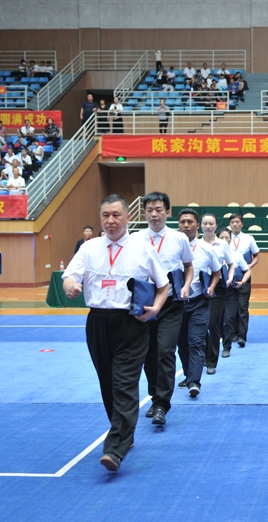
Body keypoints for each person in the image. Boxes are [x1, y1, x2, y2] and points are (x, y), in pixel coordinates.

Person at [62, 194, 170, 472]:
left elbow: (163, 284)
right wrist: (71, 285)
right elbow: (70, 276)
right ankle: (125, 431)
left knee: (124, 383)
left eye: (116, 215)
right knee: (108, 383)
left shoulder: (142, 248)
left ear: (128, 217)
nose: (110, 221)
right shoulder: (89, 248)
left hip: (132, 323)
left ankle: (115, 448)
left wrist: (155, 309)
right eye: (105, 216)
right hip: (97, 322)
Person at [135, 192, 194, 421]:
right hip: (145, 304)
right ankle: (153, 397)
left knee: (165, 351)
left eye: (159, 209)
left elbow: (189, 266)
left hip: (171, 305)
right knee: (148, 354)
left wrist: (187, 285)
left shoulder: (179, 239)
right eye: (149, 210)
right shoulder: (136, 238)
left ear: (167, 212)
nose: (154, 214)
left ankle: (162, 404)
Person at [177, 208, 221, 393]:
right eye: (182, 222)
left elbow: (217, 271)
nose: (186, 225)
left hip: (199, 302)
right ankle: (188, 374)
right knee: (181, 342)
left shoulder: (206, 249)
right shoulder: (171, 247)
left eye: (190, 222)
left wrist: (211, 287)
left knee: (196, 341)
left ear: (197, 226)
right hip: (176, 304)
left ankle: (195, 382)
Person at [201, 213, 237, 376]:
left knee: (213, 323)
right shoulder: (195, 244)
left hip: (219, 288)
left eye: (211, 224)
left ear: (216, 226)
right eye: (205, 224)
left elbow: (231, 264)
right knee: (200, 325)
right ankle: (202, 356)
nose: (208, 226)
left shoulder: (223, 245)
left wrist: (229, 278)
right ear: (201, 226)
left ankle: (211, 361)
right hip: (200, 286)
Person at [216, 227, 252, 361]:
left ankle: (227, 347)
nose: (225, 240)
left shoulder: (236, 255)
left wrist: (242, 282)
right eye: (222, 237)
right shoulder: (212, 253)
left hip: (231, 291)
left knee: (229, 318)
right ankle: (220, 340)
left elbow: (247, 270)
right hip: (216, 291)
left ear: (231, 239)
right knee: (216, 321)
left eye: (227, 237)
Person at [228, 214, 260, 348]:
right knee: (231, 307)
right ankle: (233, 333)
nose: (235, 224)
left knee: (242, 306)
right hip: (228, 278)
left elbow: (256, 256)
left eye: (237, 222)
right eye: (232, 222)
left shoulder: (248, 238)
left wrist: (250, 266)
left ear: (242, 224)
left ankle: (242, 336)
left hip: (244, 276)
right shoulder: (224, 237)